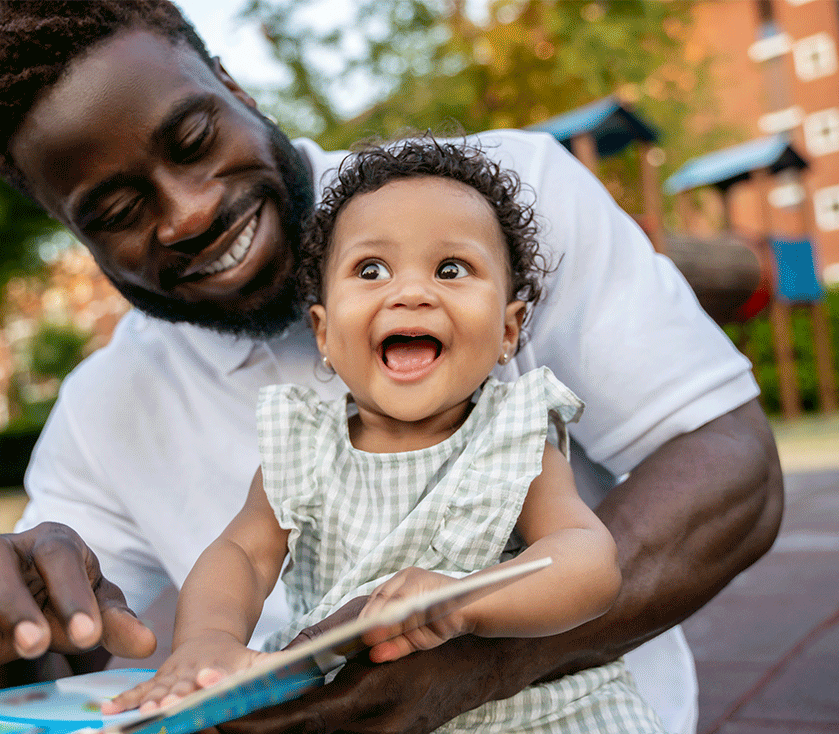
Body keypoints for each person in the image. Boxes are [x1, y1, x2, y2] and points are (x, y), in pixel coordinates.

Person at [0, 3, 785, 733]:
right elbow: (103, 625)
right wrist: (1, 637)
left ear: (236, 88)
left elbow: (729, 469)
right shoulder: (113, 410)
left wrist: (463, 660)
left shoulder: (501, 212)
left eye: (195, 138)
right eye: (117, 210)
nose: (190, 212)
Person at [101, 137, 664, 734]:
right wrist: (209, 640)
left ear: (507, 329)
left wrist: (466, 599)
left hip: (539, 713)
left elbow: (589, 562)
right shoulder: (304, 448)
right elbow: (241, 553)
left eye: (452, 269)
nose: (411, 292)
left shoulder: (511, 436)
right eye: (371, 270)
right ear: (322, 331)